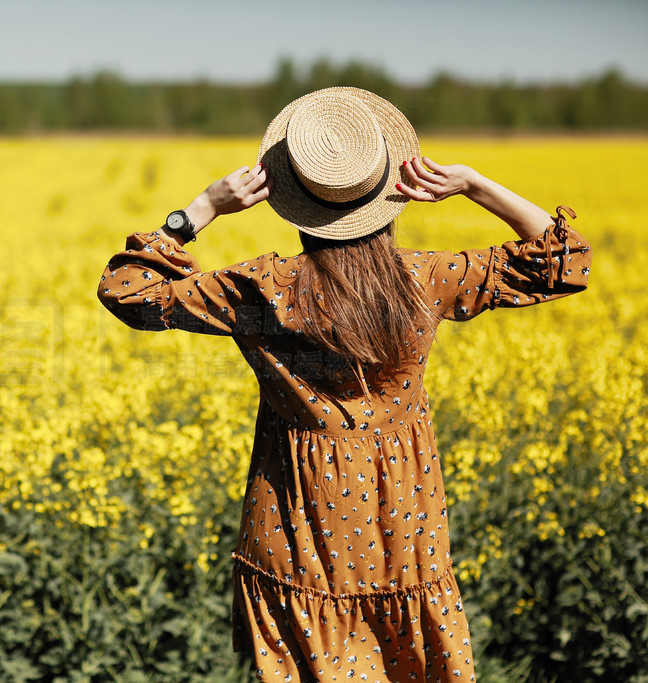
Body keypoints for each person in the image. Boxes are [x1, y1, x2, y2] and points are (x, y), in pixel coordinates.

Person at [96, 87, 592, 682]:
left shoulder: (264, 289)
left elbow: (128, 290)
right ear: (385, 194)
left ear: (289, 196)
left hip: (297, 528)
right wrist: (473, 184)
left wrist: (201, 207)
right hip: (405, 526)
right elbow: (564, 260)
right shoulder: (423, 279)